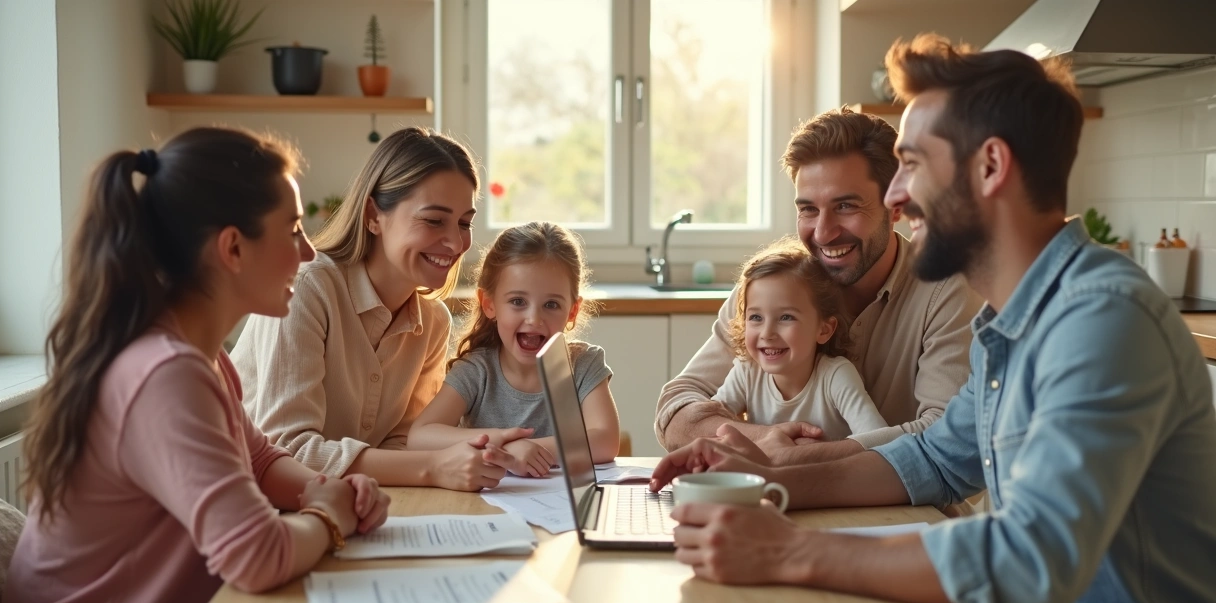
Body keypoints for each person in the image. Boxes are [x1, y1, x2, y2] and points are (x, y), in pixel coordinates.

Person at [651, 35, 1216, 603]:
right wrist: (770, 479)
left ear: (991, 167)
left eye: (913, 164)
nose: (896, 195)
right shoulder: (1012, 321)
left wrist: (788, 551)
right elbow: (936, 459)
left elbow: (1035, 558)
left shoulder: (1101, 319)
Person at [0, 128, 391, 603]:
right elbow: (256, 556)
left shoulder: (197, 357)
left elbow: (260, 462)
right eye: (294, 230)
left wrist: (327, 490)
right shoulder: (165, 374)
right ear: (232, 247)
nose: (309, 253)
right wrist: (328, 519)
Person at [655, 107, 982, 464]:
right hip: (785, 501)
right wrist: (767, 439)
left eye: (845, 206)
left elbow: (945, 437)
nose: (823, 233)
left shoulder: (944, 290)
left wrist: (799, 459)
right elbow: (675, 413)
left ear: (896, 207)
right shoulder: (771, 291)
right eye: (808, 209)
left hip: (909, 513)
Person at [231, 127, 517, 491]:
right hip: (261, 507)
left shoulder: (432, 323)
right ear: (372, 215)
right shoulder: (307, 289)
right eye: (433, 220)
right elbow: (286, 450)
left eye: (465, 223)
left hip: (352, 503)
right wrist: (432, 467)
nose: (455, 241)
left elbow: (400, 444)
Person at [407, 221, 620, 476]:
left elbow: (605, 440)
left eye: (551, 305)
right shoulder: (476, 371)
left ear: (572, 311)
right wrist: (504, 444)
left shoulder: (583, 364)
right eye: (518, 301)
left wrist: (530, 449)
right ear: (489, 304)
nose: (534, 318)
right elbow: (420, 437)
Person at [710, 236, 886, 440]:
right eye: (756, 317)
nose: (767, 333)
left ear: (824, 330)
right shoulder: (747, 371)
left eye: (786, 317)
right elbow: (712, 422)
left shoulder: (836, 376)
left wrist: (809, 454)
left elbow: (880, 440)